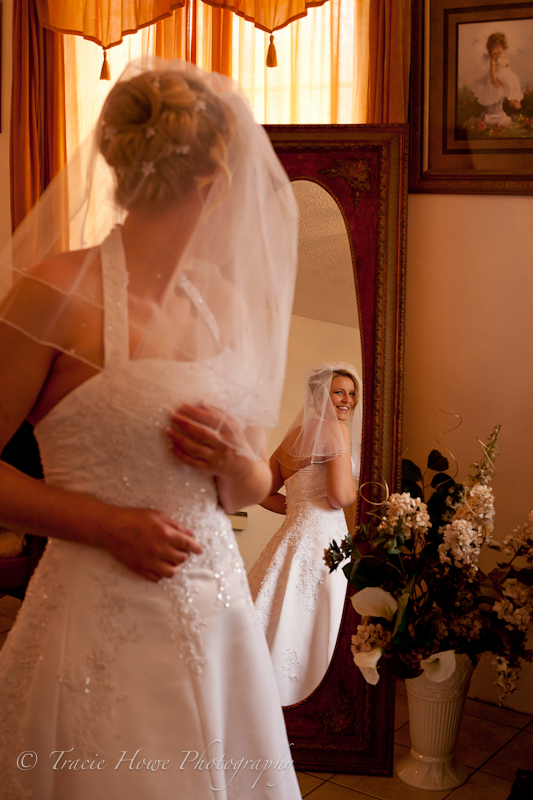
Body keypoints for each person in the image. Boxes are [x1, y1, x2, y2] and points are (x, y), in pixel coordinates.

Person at [0, 59, 301, 799]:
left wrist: (239, 461)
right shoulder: (54, 293)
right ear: (214, 185)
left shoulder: (225, 303)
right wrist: (105, 525)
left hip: (219, 624)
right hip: (95, 633)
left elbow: (256, 482)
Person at [248, 363, 362, 706]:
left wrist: (296, 508)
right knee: (317, 619)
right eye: (338, 391)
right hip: (325, 542)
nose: (347, 400)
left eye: (352, 393)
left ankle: (265, 700)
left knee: (279, 613)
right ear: (318, 395)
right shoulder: (337, 431)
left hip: (292, 538)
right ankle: (313, 703)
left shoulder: (291, 438)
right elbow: (340, 497)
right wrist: (357, 489)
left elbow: (260, 490)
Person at [473, 32, 523, 126]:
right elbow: (492, 71)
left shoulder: (505, 53)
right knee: (505, 80)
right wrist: (495, 81)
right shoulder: (493, 58)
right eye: (494, 53)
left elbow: (506, 62)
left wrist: (506, 65)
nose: (496, 55)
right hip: (496, 74)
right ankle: (510, 100)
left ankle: (515, 99)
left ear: (503, 48)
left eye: (498, 53)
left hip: (504, 71)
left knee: (514, 79)